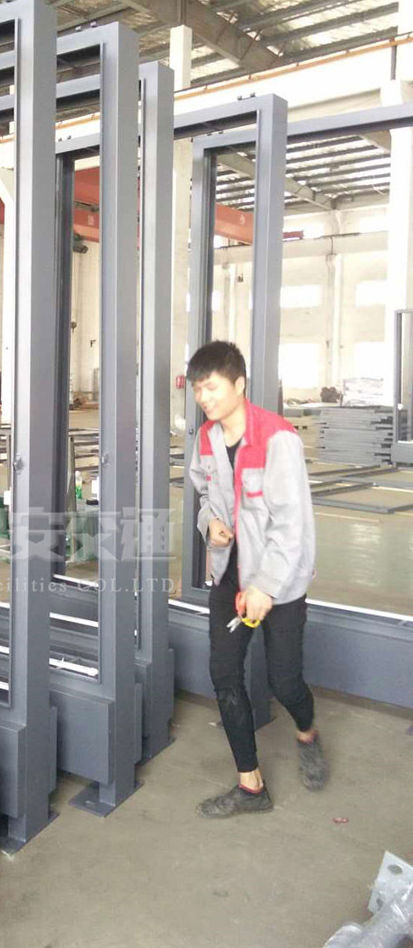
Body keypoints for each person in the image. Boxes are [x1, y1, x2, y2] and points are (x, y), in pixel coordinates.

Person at [187, 340, 327, 818]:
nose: (204, 397)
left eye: (212, 387)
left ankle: (307, 732)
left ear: (239, 384)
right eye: (197, 389)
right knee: (225, 676)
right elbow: (204, 494)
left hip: (278, 583)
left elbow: (292, 526)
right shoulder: (206, 439)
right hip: (229, 575)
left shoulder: (277, 439)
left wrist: (265, 586)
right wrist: (210, 523)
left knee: (285, 682)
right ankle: (251, 786)